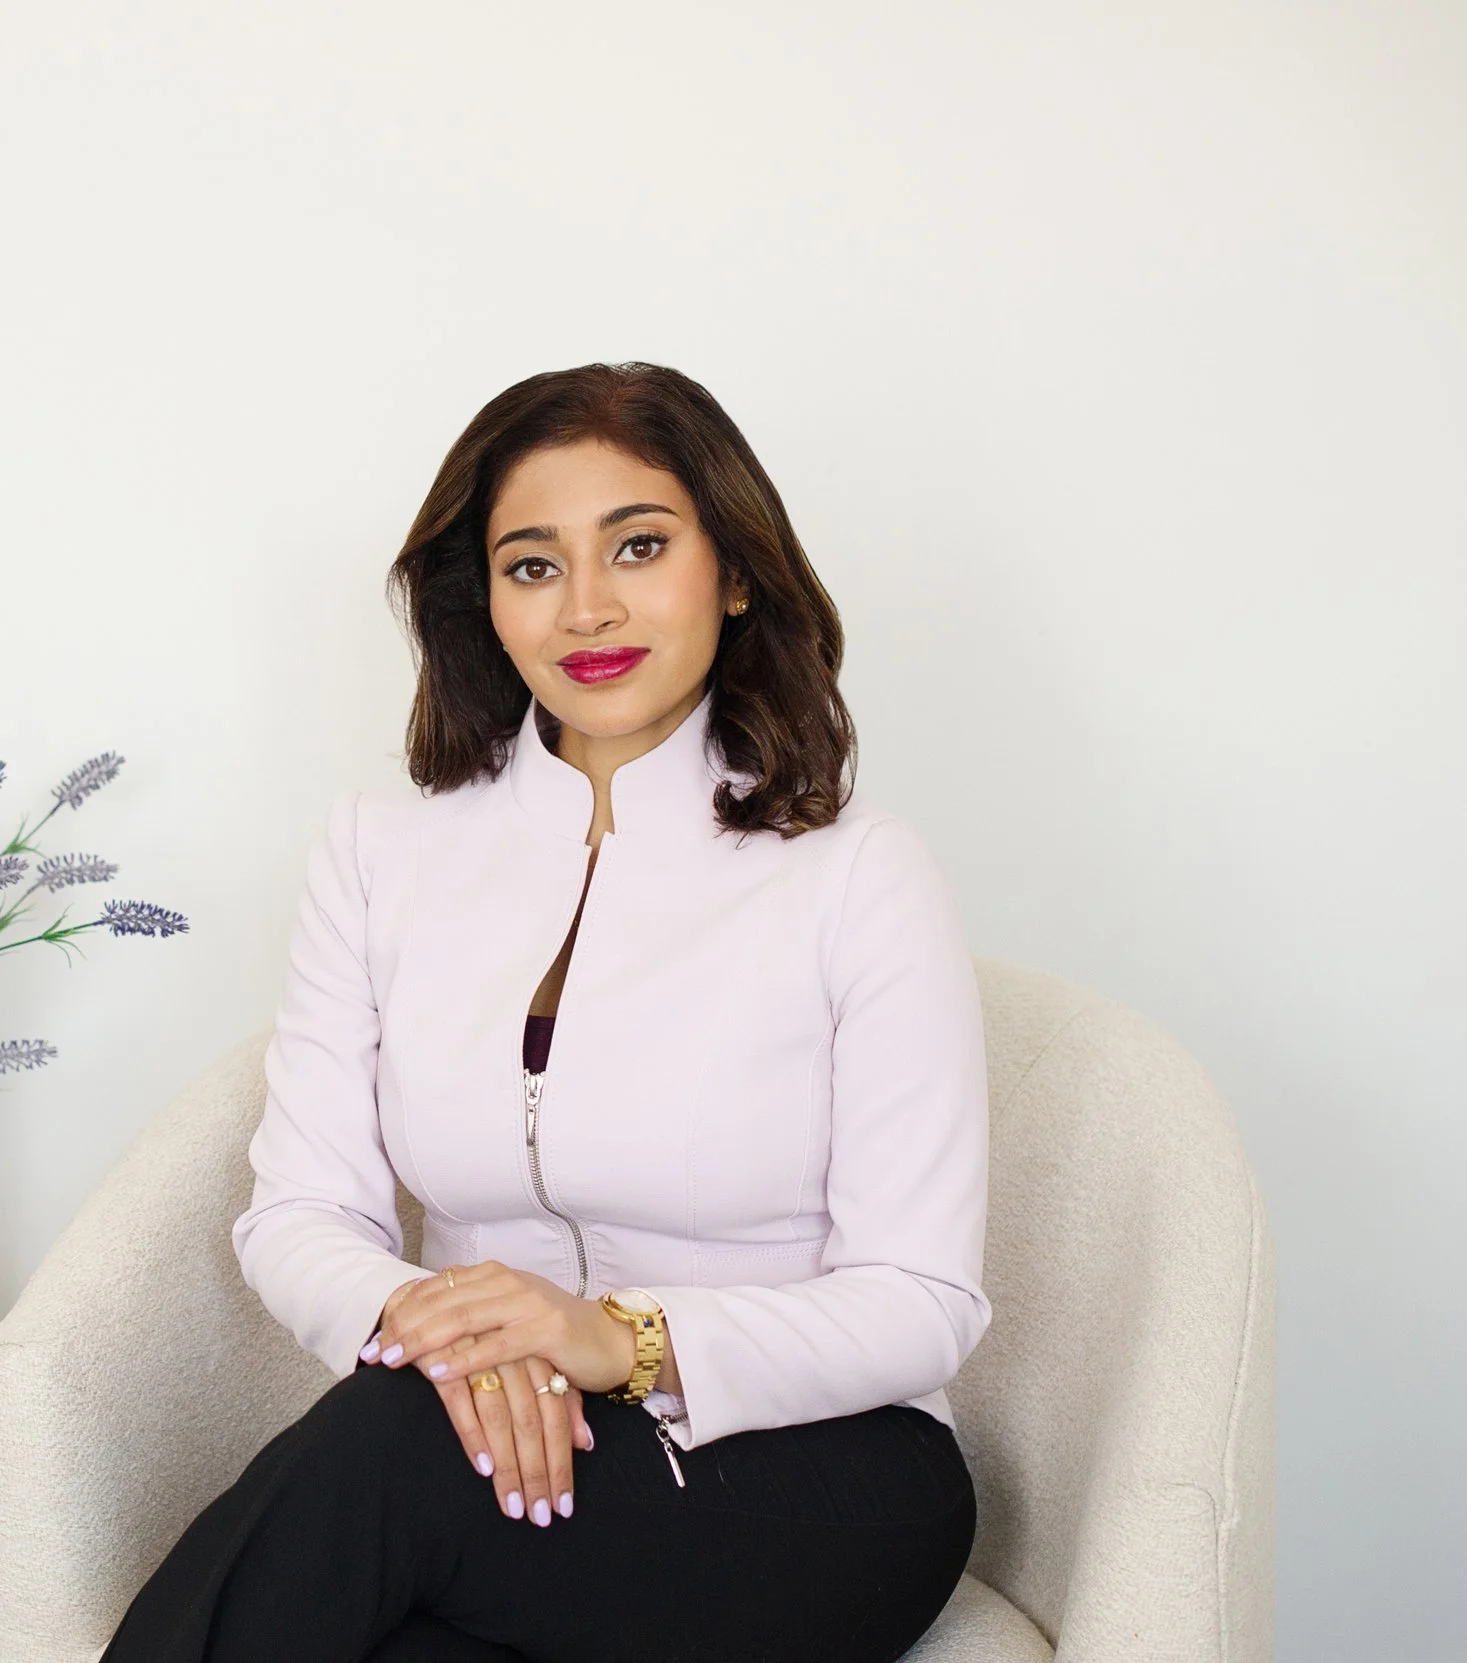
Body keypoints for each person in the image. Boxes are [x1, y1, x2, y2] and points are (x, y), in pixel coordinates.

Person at [99, 361, 989, 1663]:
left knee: (390, 1439)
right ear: (486, 602)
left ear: (736, 571)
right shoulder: (382, 856)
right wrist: (451, 1338)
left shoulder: (857, 875)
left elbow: (922, 1299)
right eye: (532, 565)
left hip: (817, 1471)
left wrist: (611, 1339)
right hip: (504, 1456)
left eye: (639, 546)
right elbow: (299, 1213)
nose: (587, 607)